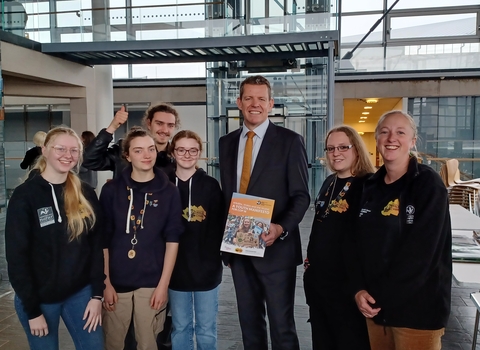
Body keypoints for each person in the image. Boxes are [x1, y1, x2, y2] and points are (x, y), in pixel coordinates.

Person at [218, 75, 310, 350]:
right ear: (239, 102)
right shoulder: (226, 143)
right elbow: (228, 196)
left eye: (261, 99)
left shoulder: (290, 141)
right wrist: (227, 246)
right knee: (249, 325)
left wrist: (280, 228)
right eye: (248, 98)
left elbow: (301, 196)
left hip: (276, 250)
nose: (254, 104)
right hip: (239, 248)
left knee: (282, 327)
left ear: (271, 104)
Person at [353, 110, 452, 350]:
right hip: (375, 310)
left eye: (400, 132)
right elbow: (358, 245)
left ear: (413, 141)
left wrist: (380, 296)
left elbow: (421, 255)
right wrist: (358, 289)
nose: (391, 138)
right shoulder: (371, 186)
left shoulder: (428, 185)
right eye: (384, 132)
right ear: (376, 139)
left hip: (417, 313)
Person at [5, 126, 104, 349]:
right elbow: (17, 257)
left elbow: (96, 247)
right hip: (39, 298)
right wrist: (33, 311)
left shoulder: (86, 193)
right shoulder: (25, 196)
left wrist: (97, 296)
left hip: (80, 293)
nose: (67, 155)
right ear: (45, 150)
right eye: (60, 148)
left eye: (74, 150)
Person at [100, 128, 183, 350]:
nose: (146, 155)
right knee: (113, 343)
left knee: (148, 343)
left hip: (152, 281)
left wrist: (163, 285)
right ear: (127, 155)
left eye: (150, 149)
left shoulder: (170, 191)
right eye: (138, 150)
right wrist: (105, 282)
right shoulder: (111, 190)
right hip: (116, 283)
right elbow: (103, 239)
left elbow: (172, 240)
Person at [303, 125, 374, 350]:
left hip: (348, 289)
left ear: (356, 149)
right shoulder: (329, 183)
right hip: (320, 287)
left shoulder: (369, 185)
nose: (336, 153)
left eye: (343, 147)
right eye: (331, 148)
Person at [167, 130, 225, 350]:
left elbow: (220, 225)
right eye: (181, 149)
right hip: (174, 270)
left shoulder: (210, 185)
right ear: (173, 152)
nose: (187, 154)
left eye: (193, 150)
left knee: (206, 329)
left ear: (200, 153)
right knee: (180, 327)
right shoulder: (163, 184)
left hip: (207, 269)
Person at [83, 103, 180, 178]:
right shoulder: (124, 149)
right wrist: (112, 127)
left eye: (170, 125)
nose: (165, 130)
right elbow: (88, 160)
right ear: (149, 123)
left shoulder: (179, 157)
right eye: (159, 123)